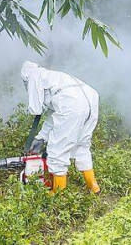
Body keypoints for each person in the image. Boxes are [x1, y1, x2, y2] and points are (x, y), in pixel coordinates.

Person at [21, 61, 100, 194]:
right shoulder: (52, 77)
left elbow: (36, 109)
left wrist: (37, 139)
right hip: (90, 98)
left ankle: (58, 194)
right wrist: (41, 137)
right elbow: (55, 114)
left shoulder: (33, 75)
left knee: (57, 150)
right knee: (82, 145)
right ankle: (94, 187)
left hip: (72, 103)